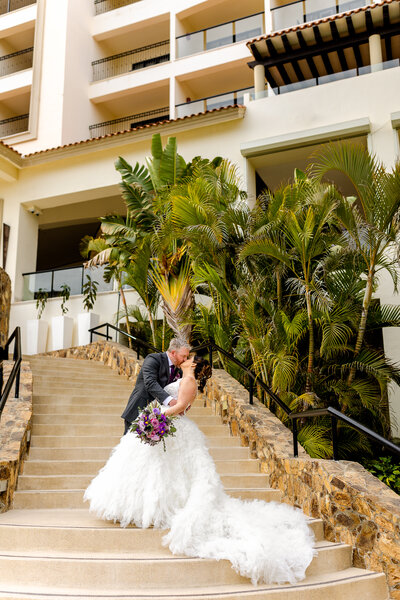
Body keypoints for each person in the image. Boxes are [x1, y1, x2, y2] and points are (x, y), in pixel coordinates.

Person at [84, 355, 316, 586]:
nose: (186, 357)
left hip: (174, 427)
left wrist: (153, 418)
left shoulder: (189, 381)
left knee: (170, 472)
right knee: (156, 469)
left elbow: (181, 407)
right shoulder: (183, 378)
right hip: (171, 428)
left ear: (193, 365)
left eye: (190, 358)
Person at [121, 338, 191, 434]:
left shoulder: (178, 369)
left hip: (159, 419)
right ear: (173, 353)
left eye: (187, 357)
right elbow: (150, 383)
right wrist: (170, 401)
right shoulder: (153, 359)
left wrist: (182, 404)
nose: (185, 360)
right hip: (139, 410)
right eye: (183, 356)